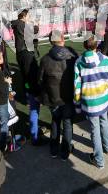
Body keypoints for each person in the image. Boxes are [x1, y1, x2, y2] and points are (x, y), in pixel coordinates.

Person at [74, 35, 108, 169]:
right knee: (104, 122)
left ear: (84, 46)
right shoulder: (106, 60)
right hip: (104, 99)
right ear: (96, 45)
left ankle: (99, 160)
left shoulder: (79, 62)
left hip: (90, 102)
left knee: (95, 129)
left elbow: (77, 86)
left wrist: (77, 103)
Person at [39, 30, 78, 160]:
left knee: (56, 121)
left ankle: (55, 149)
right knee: (66, 122)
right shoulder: (72, 57)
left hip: (54, 98)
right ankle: (65, 151)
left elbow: (40, 80)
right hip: (66, 97)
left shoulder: (45, 59)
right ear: (62, 39)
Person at [11, 9, 45, 145]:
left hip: (23, 52)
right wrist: (35, 24)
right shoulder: (20, 24)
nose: (29, 18)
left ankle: (27, 94)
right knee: (30, 76)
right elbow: (33, 30)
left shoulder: (18, 24)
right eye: (28, 16)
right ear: (24, 16)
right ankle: (31, 95)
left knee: (26, 77)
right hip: (25, 53)